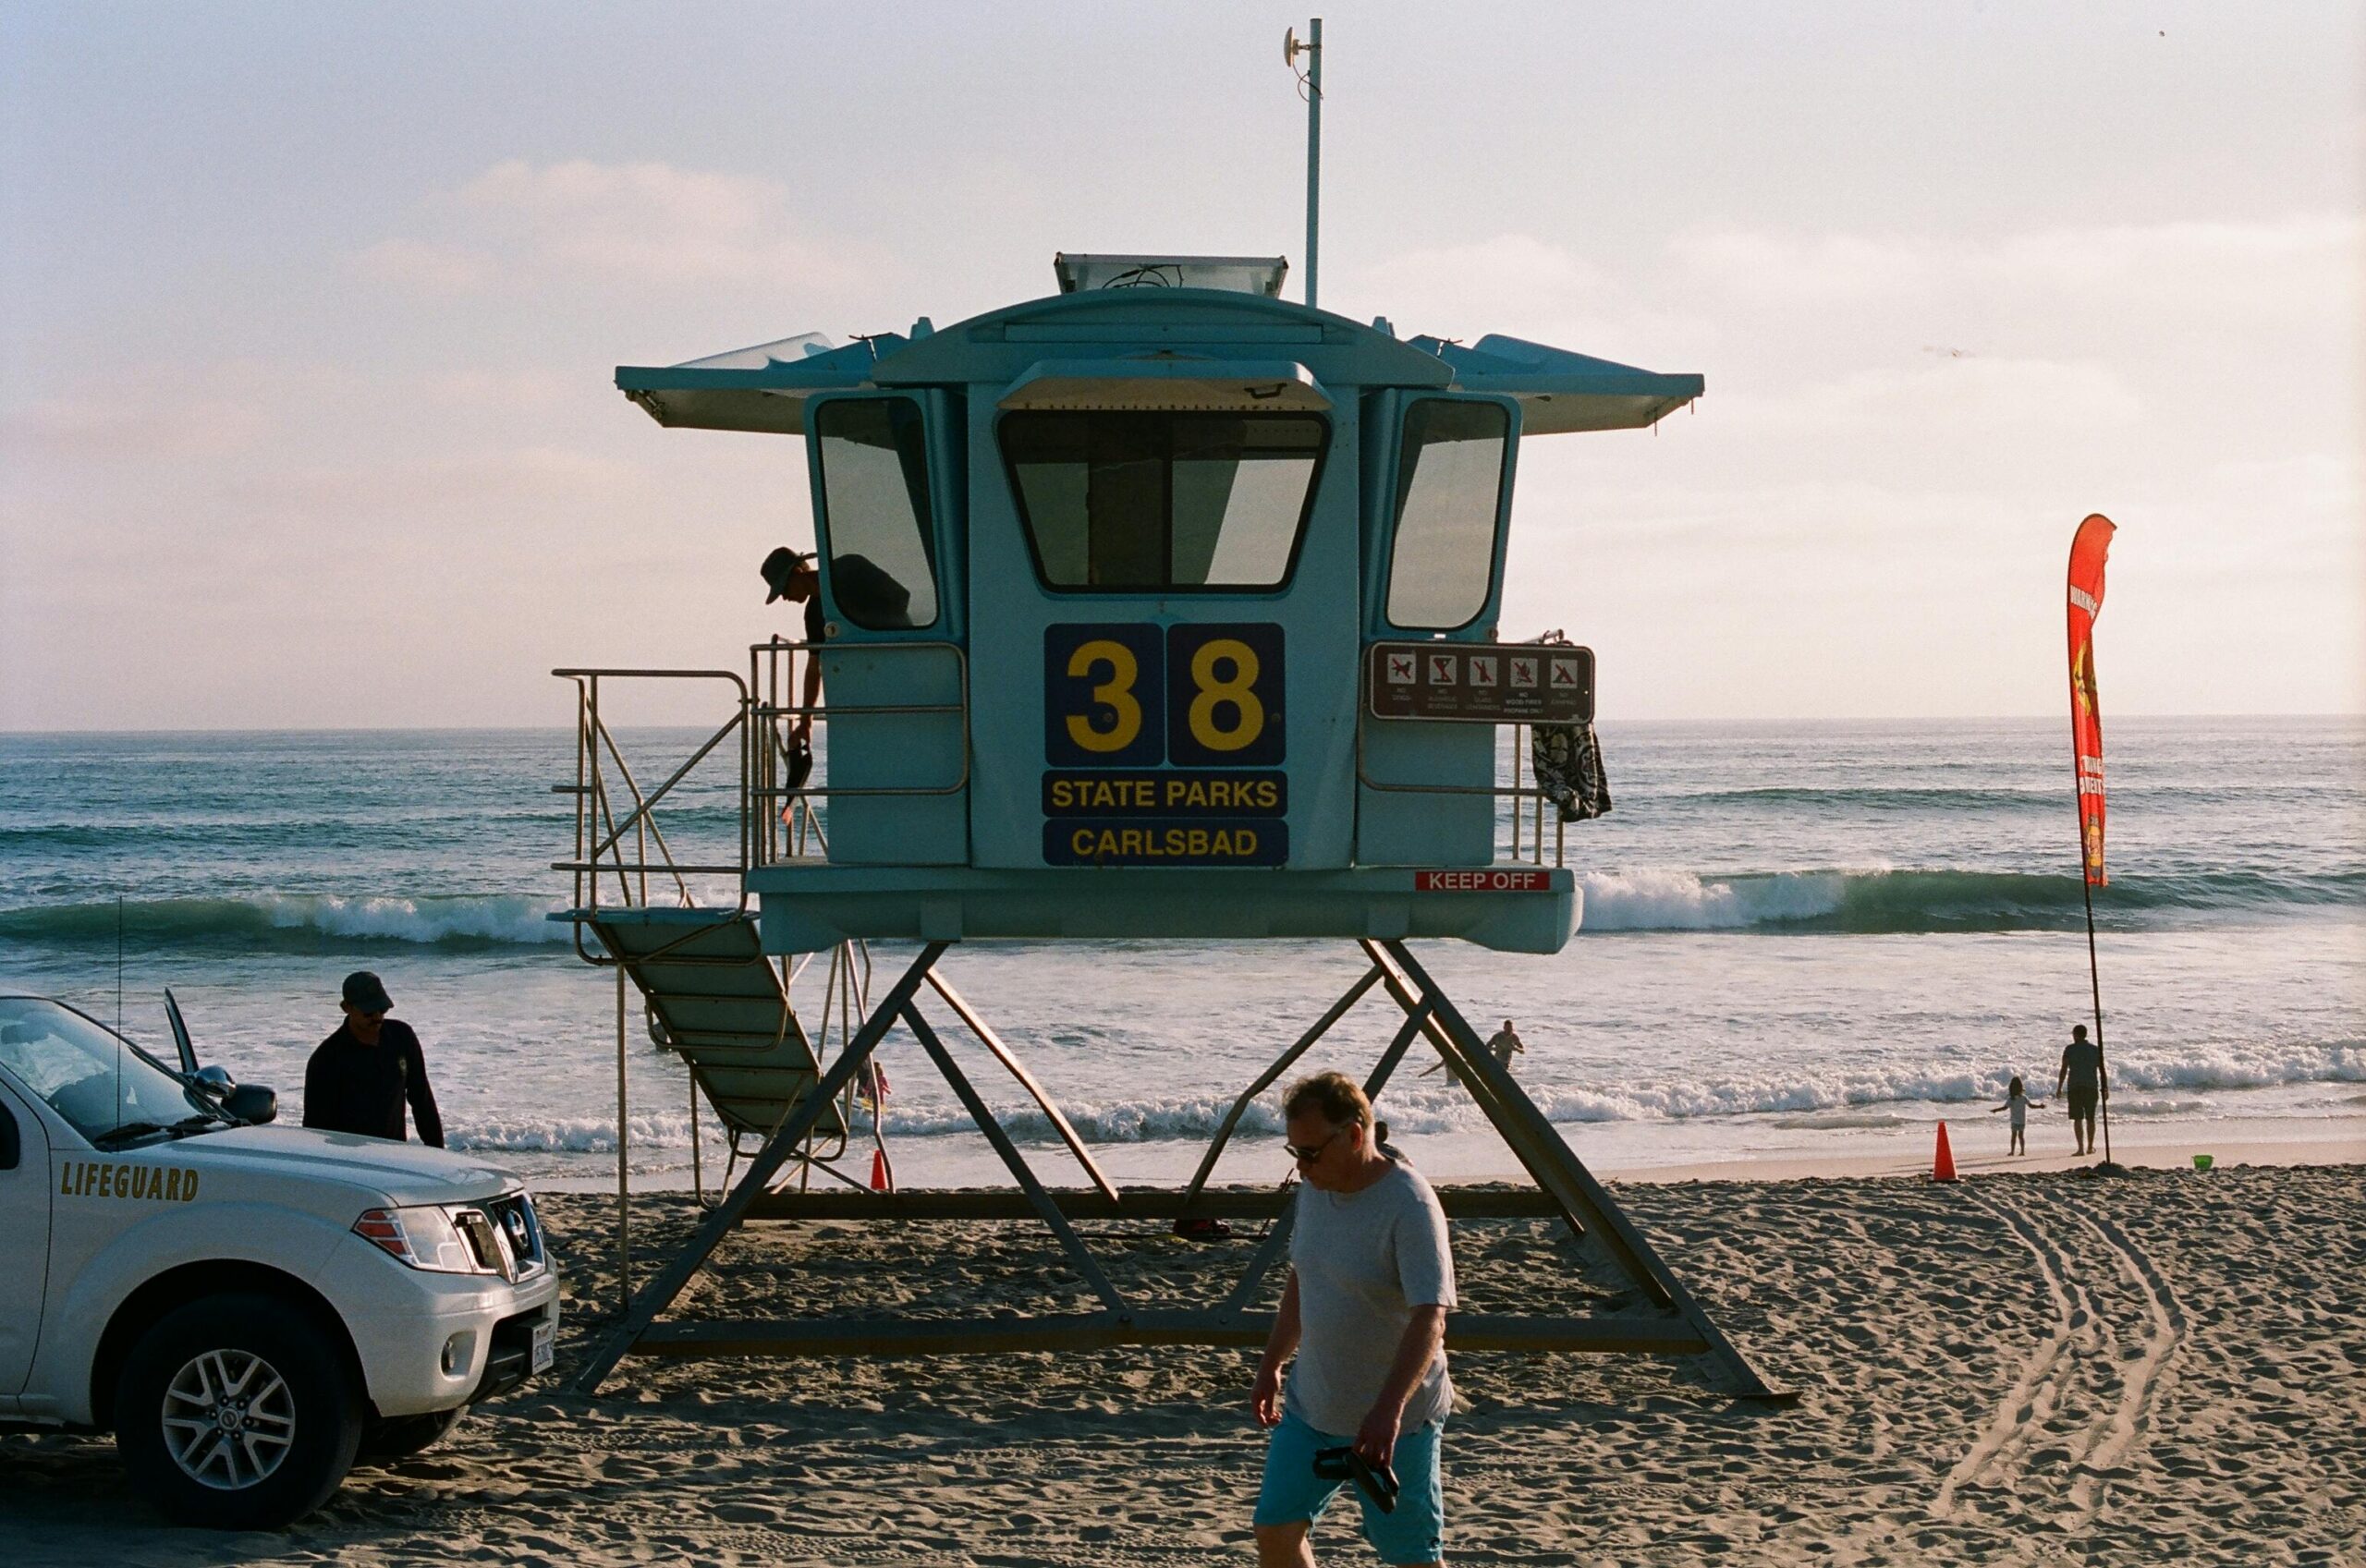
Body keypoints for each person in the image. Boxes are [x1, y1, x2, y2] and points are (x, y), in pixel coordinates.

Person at [1251, 1072, 1454, 1568]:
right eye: (1294, 1152)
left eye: (1311, 1153)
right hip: (1312, 1408)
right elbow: (1305, 1275)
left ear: (1355, 1136)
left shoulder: (1410, 1203)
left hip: (1396, 1423)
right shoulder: (1315, 1189)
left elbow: (1431, 1316)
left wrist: (1388, 1411)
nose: (1302, 1167)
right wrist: (1273, 1361)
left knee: (1408, 1556)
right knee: (1275, 1530)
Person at [302, 971, 445, 1147]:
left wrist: (438, 1150)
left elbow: (422, 1100)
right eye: (369, 1012)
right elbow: (316, 1129)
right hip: (351, 1161)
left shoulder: (402, 1037)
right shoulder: (326, 1059)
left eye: (382, 1009)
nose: (377, 1017)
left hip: (394, 1154)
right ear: (346, 1007)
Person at [761, 546, 827, 751]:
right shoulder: (814, 614)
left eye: (784, 589)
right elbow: (814, 665)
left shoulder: (845, 573)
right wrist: (806, 722)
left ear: (797, 573)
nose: (784, 597)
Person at [2055, 1024, 2106, 1158]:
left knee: (2078, 1118)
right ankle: (2090, 1146)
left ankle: (2081, 1148)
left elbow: (2064, 1069)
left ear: (2076, 1035)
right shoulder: (2095, 1050)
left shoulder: (2069, 1049)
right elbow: (2102, 1069)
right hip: (2091, 1086)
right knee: (2090, 1118)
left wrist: (2059, 1087)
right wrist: (2105, 1087)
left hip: (2075, 1087)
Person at [1988, 1074, 2044, 1157]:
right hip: (2022, 1120)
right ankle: (2022, 1151)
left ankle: (2012, 1151)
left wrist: (1995, 1110)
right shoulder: (2024, 1097)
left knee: (2013, 1137)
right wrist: (2040, 1106)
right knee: (2021, 1136)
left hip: (2014, 1120)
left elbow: (2004, 1108)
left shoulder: (2011, 1099)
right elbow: (2031, 1106)